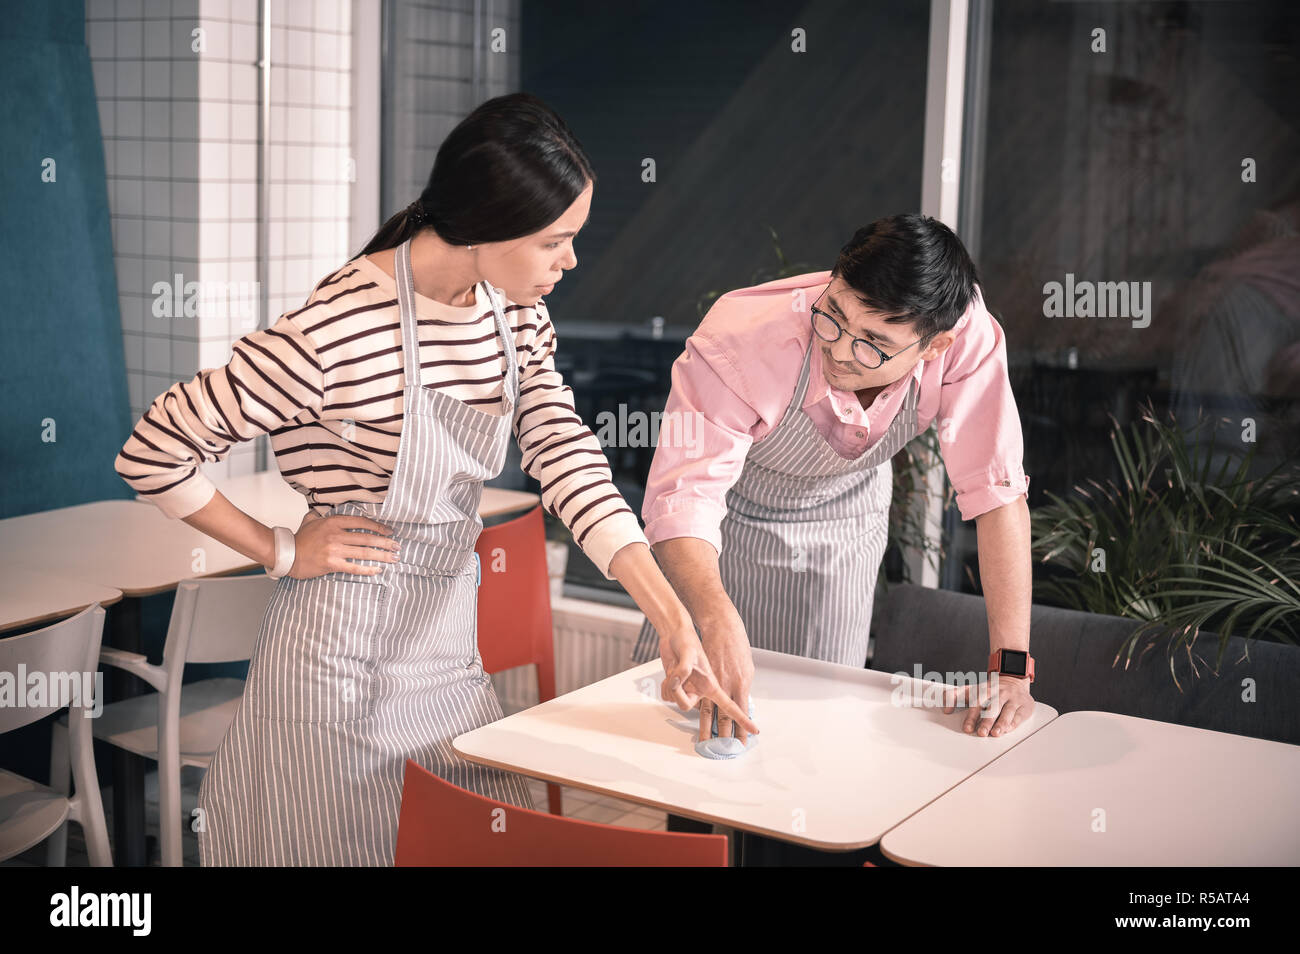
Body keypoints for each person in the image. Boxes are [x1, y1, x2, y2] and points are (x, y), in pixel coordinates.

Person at [114, 92, 754, 866]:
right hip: (337, 668)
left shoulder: (510, 313)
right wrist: (280, 548)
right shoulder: (337, 331)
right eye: (557, 241)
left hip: (446, 645)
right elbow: (154, 449)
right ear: (489, 226)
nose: (571, 262)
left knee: (467, 843)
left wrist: (676, 624)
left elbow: (566, 456)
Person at [629, 214, 1037, 864]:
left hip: (845, 522)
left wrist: (1010, 666)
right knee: (699, 733)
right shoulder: (742, 336)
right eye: (832, 315)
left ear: (933, 347)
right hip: (727, 530)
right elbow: (683, 502)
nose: (842, 349)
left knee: (816, 740)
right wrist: (713, 614)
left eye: (875, 343)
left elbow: (996, 495)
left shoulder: (967, 341)